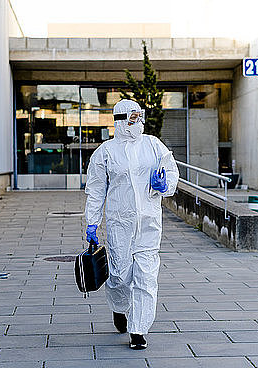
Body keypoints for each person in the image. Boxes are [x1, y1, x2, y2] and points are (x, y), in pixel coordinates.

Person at [84, 99, 178, 350]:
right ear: (120, 120)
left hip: (148, 222)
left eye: (140, 116)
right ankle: (119, 308)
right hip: (119, 223)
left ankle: (138, 330)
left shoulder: (153, 144)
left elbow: (170, 170)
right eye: (133, 117)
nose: (138, 122)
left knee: (147, 276)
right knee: (119, 275)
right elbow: (95, 190)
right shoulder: (105, 152)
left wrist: (165, 185)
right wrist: (92, 223)